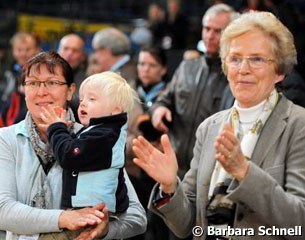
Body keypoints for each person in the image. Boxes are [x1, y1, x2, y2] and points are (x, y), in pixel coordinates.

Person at [132, 11, 305, 240]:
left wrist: (245, 173)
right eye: (235, 58)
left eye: (257, 59)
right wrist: (169, 186)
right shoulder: (210, 127)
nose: (243, 69)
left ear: (280, 71)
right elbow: (188, 226)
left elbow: (299, 224)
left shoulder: (298, 125)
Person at [0, 51, 146, 240]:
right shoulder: (6, 138)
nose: (41, 91)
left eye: (52, 83)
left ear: (70, 91)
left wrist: (105, 230)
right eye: (33, 83)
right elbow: (3, 210)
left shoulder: (93, 138)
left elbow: (137, 217)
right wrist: (64, 218)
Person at [37, 71, 138, 239]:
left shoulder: (105, 136)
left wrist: (56, 128)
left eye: (92, 99)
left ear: (115, 110)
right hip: (89, 212)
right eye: (82, 99)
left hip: (90, 214)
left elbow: (69, 156)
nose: (83, 104)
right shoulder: (100, 131)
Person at [150, 3, 237, 178]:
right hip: (173, 166)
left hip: (212, 171)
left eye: (218, 31)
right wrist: (158, 110)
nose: (210, 36)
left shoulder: (238, 77)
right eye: (207, 29)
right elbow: (164, 99)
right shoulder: (187, 67)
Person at [0, 32, 41, 126]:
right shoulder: (8, 69)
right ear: (13, 51)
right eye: (19, 50)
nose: (23, 53)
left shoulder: (40, 70)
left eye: (27, 49)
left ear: (36, 50)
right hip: (7, 112)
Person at [57, 33, 88, 122]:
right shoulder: (45, 75)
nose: (70, 53)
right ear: (58, 51)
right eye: (66, 48)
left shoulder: (86, 82)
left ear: (82, 56)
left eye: (75, 50)